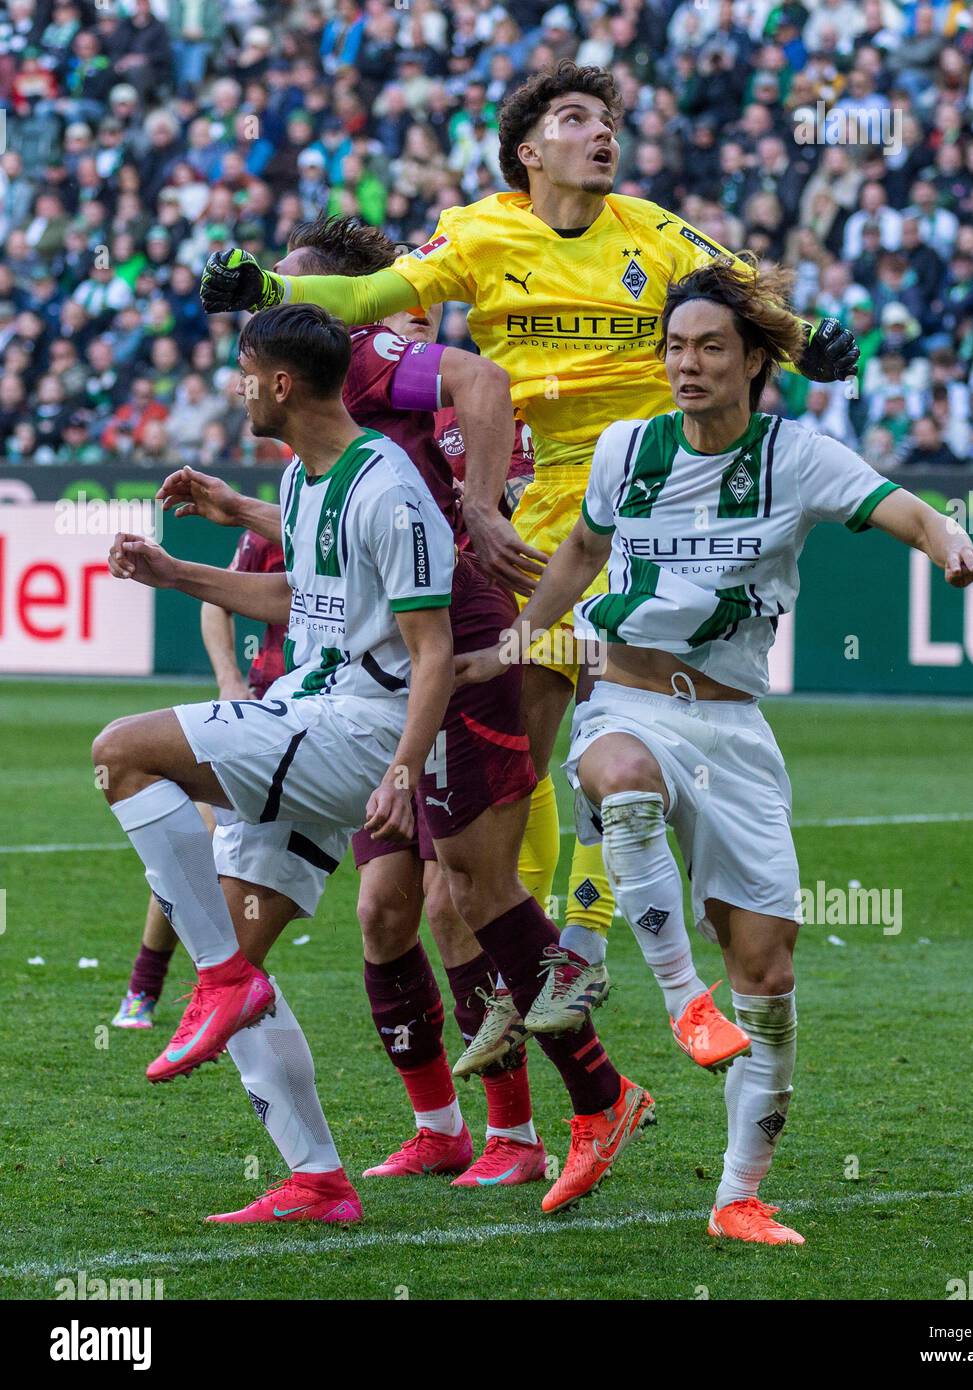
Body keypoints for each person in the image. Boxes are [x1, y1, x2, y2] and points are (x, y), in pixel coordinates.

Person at [198, 60, 859, 1070]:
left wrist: (810, 342)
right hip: (546, 516)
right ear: (528, 149)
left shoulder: (655, 231)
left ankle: (591, 950)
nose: (602, 133)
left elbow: (742, 293)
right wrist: (272, 289)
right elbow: (373, 290)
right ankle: (528, 968)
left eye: (608, 118)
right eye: (576, 118)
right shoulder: (478, 234)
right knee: (512, 761)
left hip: (652, 513)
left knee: (617, 736)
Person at [456, 257, 973, 1244]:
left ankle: (738, 1195)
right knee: (614, 778)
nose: (686, 365)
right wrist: (522, 632)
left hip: (733, 726)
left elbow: (906, 510)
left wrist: (950, 544)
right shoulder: (627, 448)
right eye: (673, 347)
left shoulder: (797, 457)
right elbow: (580, 550)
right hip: (624, 694)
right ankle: (677, 1000)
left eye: (709, 347)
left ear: (754, 359)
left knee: (770, 970)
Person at [168, 220, 656, 1213]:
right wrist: (228, 526)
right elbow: (341, 540)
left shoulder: (372, 353)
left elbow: (478, 393)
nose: (278, 310)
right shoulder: (326, 425)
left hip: (453, 651)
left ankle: (561, 1108)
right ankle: (442, 1126)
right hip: (379, 666)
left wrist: (481, 507)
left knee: (470, 898)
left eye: (298, 293)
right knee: (389, 907)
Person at [96, 302, 457, 1223]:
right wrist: (177, 573)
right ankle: (318, 1179)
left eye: (246, 372)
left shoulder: (388, 484)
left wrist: (404, 768)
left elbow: (434, 648)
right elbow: (300, 597)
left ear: (282, 383)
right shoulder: (305, 479)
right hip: (309, 706)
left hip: (360, 732)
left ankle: (219, 976)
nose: (239, 387)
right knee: (237, 946)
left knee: (122, 754)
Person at [111, 529, 286, 1031]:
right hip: (264, 715)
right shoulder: (276, 523)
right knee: (200, 844)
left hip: (342, 722)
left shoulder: (367, 508)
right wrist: (230, 679)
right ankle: (146, 986)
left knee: (389, 895)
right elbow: (217, 603)